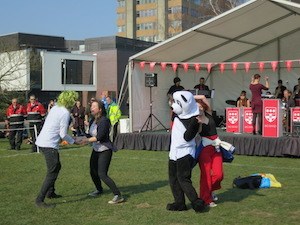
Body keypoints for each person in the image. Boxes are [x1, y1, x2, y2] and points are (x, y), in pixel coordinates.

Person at [35, 91, 80, 208]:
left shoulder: (56, 108)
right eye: (74, 100)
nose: (75, 103)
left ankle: (51, 192)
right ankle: (40, 199)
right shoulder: (64, 112)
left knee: (57, 167)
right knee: (52, 171)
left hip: (43, 141)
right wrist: (74, 141)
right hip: (49, 144)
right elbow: (63, 134)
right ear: (70, 101)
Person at [167, 90, 205, 212]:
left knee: (183, 179)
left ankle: (196, 201)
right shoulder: (177, 115)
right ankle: (179, 203)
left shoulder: (193, 120)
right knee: (173, 178)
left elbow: (187, 137)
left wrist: (195, 123)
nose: (174, 105)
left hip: (185, 152)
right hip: (174, 152)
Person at [81, 100, 124, 204]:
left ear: (100, 109)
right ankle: (99, 189)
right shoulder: (92, 120)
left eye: (94, 106)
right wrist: (79, 138)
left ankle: (118, 195)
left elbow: (99, 136)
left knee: (102, 174)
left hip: (105, 150)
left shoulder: (104, 120)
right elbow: (90, 135)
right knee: (93, 171)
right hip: (96, 149)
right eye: (91, 106)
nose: (92, 108)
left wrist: (85, 141)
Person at [194, 95, 223, 208]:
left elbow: (203, 96)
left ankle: (210, 190)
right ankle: (206, 199)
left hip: (216, 146)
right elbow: (199, 132)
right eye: (197, 107)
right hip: (205, 148)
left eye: (200, 107)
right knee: (205, 175)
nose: (199, 109)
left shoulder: (209, 113)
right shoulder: (196, 119)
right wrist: (199, 121)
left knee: (219, 174)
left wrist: (188, 95)